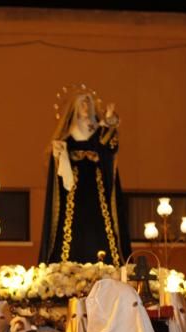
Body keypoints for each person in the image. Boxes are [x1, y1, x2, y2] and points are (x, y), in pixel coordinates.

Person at [38, 85, 131, 266]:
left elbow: (110, 147)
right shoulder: (67, 136)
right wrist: (61, 155)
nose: (86, 107)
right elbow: (57, 161)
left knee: (100, 224)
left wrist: (110, 121)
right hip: (73, 189)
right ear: (74, 108)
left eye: (88, 102)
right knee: (72, 228)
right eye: (82, 103)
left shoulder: (99, 131)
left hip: (96, 187)